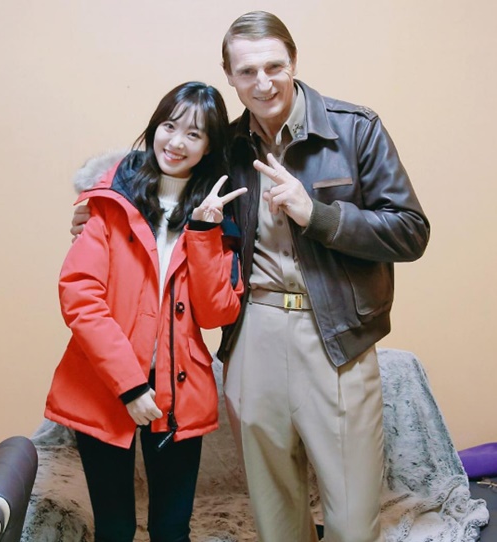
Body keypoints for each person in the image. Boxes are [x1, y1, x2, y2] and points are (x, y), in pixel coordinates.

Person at [71, 11, 431, 542]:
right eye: (247, 71)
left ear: (293, 62)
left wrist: (317, 214)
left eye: (274, 66)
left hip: (337, 334)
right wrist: (93, 209)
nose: (263, 83)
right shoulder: (226, 146)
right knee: (275, 513)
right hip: (253, 328)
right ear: (230, 76)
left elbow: (411, 232)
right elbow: (159, 184)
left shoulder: (355, 128)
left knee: (353, 518)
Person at [45, 81, 246, 542]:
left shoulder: (218, 216)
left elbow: (217, 313)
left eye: (194, 134)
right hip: (104, 384)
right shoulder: (110, 202)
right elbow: (81, 296)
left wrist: (204, 233)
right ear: (155, 127)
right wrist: (131, 386)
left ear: (209, 146)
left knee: (171, 530)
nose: (176, 142)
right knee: (114, 529)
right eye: (169, 126)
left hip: (179, 389)